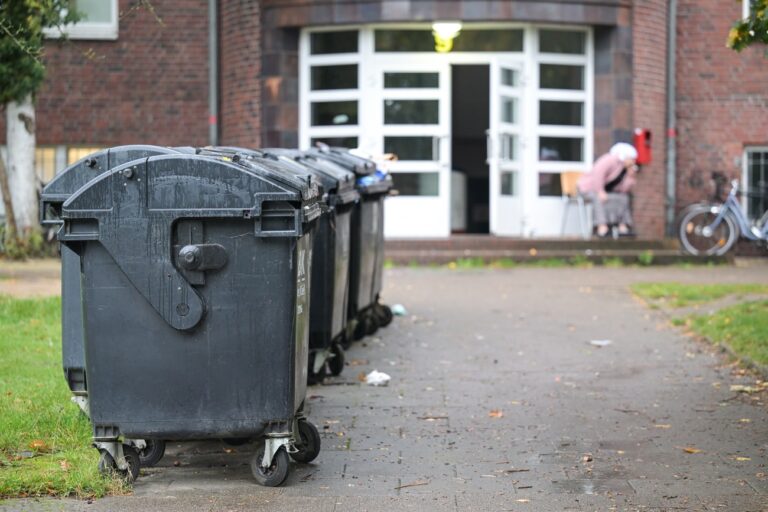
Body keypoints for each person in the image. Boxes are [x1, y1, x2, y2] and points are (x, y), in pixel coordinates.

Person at [577, 142, 639, 238]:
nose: (633, 162)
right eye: (631, 159)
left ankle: (623, 226)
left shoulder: (625, 168)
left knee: (623, 197)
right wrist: (600, 191)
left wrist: (630, 176)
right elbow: (597, 175)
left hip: (606, 191)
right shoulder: (609, 160)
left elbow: (623, 190)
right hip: (588, 188)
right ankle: (602, 227)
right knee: (598, 197)